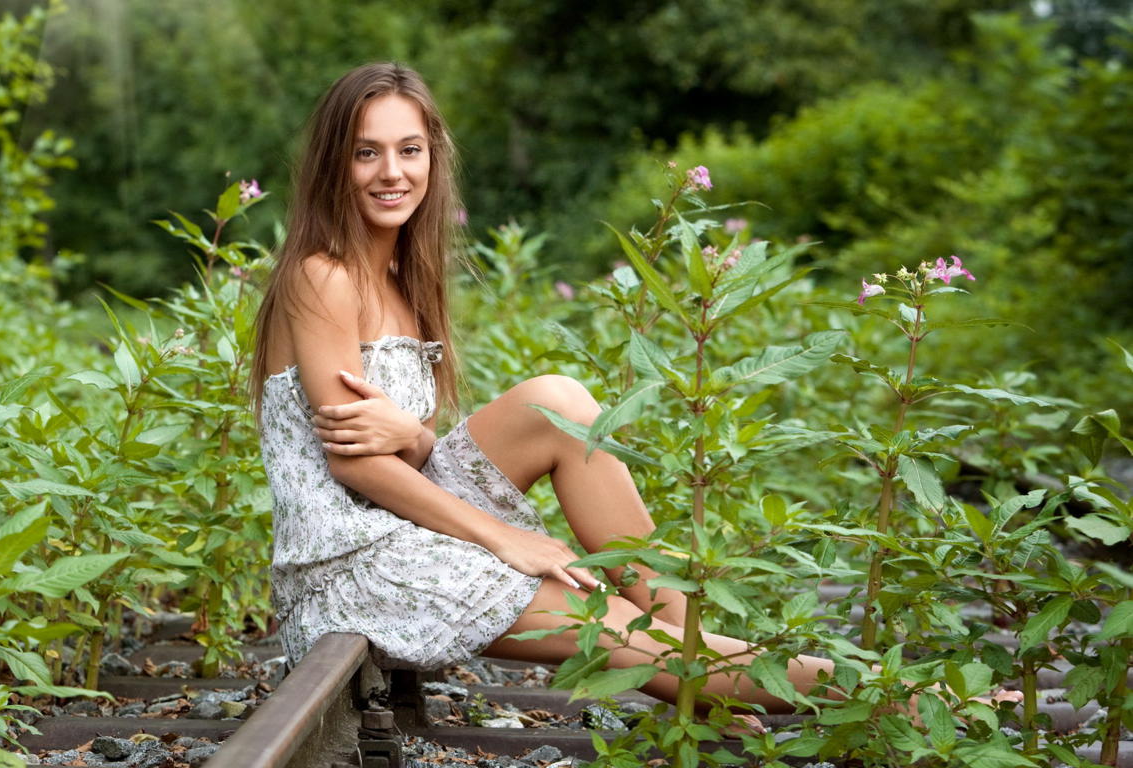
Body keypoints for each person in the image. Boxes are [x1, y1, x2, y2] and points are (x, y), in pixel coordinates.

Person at [249, 61, 837, 715]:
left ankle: (692, 646)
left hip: (398, 520)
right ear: (334, 163)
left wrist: (412, 433)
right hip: (350, 564)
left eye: (409, 150)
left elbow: (403, 450)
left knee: (557, 401)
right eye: (367, 153)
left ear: (432, 158)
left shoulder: (400, 278)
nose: (392, 172)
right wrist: (504, 539)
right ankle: (875, 696)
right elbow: (355, 464)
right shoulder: (322, 277)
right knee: (605, 618)